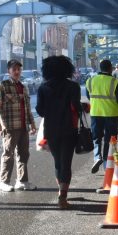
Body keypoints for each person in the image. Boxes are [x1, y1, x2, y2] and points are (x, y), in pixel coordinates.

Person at [36, 56, 83, 210]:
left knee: (58, 162)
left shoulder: (43, 88)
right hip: (69, 128)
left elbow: (40, 111)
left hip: (51, 130)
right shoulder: (73, 87)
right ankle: (63, 195)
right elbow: (77, 107)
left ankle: (61, 191)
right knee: (66, 162)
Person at [0, 59, 37, 192]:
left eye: (19, 69)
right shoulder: (2, 85)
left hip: (23, 126)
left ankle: (22, 181)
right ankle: (3, 181)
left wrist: (32, 124)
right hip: (10, 126)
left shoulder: (23, 87)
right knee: (8, 154)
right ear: (9, 71)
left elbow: (28, 108)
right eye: (14, 69)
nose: (17, 71)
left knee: (24, 154)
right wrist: (2, 125)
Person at [86, 59, 118, 173]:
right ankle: (106, 164)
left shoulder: (90, 80)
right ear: (110, 68)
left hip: (96, 114)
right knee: (110, 140)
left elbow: (89, 97)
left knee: (96, 137)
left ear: (100, 68)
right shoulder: (115, 82)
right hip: (112, 115)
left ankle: (97, 157)